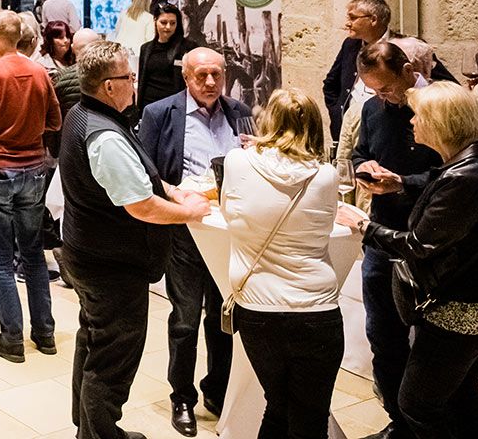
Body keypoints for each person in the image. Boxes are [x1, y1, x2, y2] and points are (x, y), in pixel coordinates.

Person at [338, 81, 478, 439]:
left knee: (417, 404)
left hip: (461, 310)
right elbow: (441, 183)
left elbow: (418, 244)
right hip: (475, 303)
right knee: (461, 398)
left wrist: (363, 226)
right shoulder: (469, 163)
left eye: (419, 115)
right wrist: (401, 183)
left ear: (441, 123)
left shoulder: (469, 175)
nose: (413, 122)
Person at [59, 40, 211, 439]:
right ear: (108, 86)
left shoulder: (83, 113)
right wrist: (190, 212)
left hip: (88, 253)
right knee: (112, 360)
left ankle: (88, 429)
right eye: (128, 77)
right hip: (112, 266)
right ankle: (101, 434)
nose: (134, 82)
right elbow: (141, 206)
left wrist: (173, 191)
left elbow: (138, 176)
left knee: (93, 342)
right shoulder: (105, 135)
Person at [137, 47, 250, 435]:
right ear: (186, 78)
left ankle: (216, 389)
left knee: (223, 317)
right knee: (185, 319)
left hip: (228, 232)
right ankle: (181, 397)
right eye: (201, 75)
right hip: (185, 232)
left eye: (217, 74)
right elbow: (146, 173)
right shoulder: (159, 114)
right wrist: (177, 196)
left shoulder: (239, 112)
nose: (210, 82)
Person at [220, 89, 343, 439]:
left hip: (257, 309)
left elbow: (230, 214)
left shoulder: (237, 161)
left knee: (276, 405)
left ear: (268, 121)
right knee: (311, 415)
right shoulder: (326, 175)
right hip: (315, 309)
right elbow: (326, 226)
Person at [349, 40, 439, 438]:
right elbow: (359, 152)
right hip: (381, 238)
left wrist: (402, 183)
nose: (382, 98)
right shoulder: (373, 109)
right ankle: (398, 423)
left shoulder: (439, 106)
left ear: (407, 71)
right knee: (382, 335)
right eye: (374, 91)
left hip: (429, 239)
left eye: (386, 88)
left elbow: (458, 177)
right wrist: (362, 166)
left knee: (431, 343)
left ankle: (427, 424)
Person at [0, 9, 62, 362]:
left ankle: (12, 338)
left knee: (1, 259)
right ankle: (46, 333)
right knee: (33, 254)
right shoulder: (38, 71)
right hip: (33, 169)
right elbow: (54, 120)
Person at [323, 0, 395, 142]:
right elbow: (330, 84)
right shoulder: (350, 45)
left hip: (383, 132)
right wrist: (337, 111)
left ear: (373, 20)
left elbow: (442, 84)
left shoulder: (403, 46)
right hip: (347, 129)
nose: (347, 24)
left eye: (353, 18)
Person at [139, 4, 196, 107]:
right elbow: (142, 81)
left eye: (172, 23)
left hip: (174, 106)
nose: (168, 27)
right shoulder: (145, 49)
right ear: (155, 21)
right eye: (163, 23)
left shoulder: (188, 47)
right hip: (148, 106)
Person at [113, 0, 156, 71]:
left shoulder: (123, 14)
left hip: (119, 51)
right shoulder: (149, 18)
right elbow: (150, 39)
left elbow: (116, 31)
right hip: (137, 55)